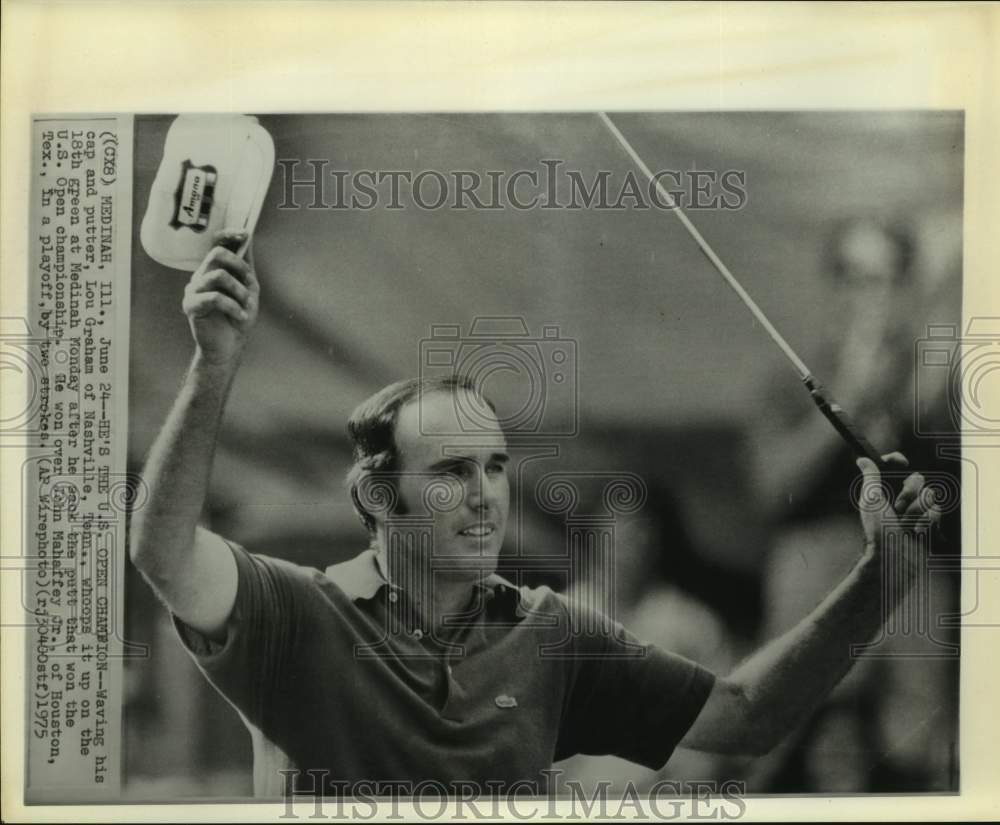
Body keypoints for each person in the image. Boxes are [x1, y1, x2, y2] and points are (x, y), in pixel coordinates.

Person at [129, 230, 942, 799]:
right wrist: (214, 364)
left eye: (494, 468)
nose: (485, 493)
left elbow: (749, 717)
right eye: (451, 471)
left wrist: (883, 572)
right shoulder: (298, 611)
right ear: (379, 497)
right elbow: (163, 553)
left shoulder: (551, 633)